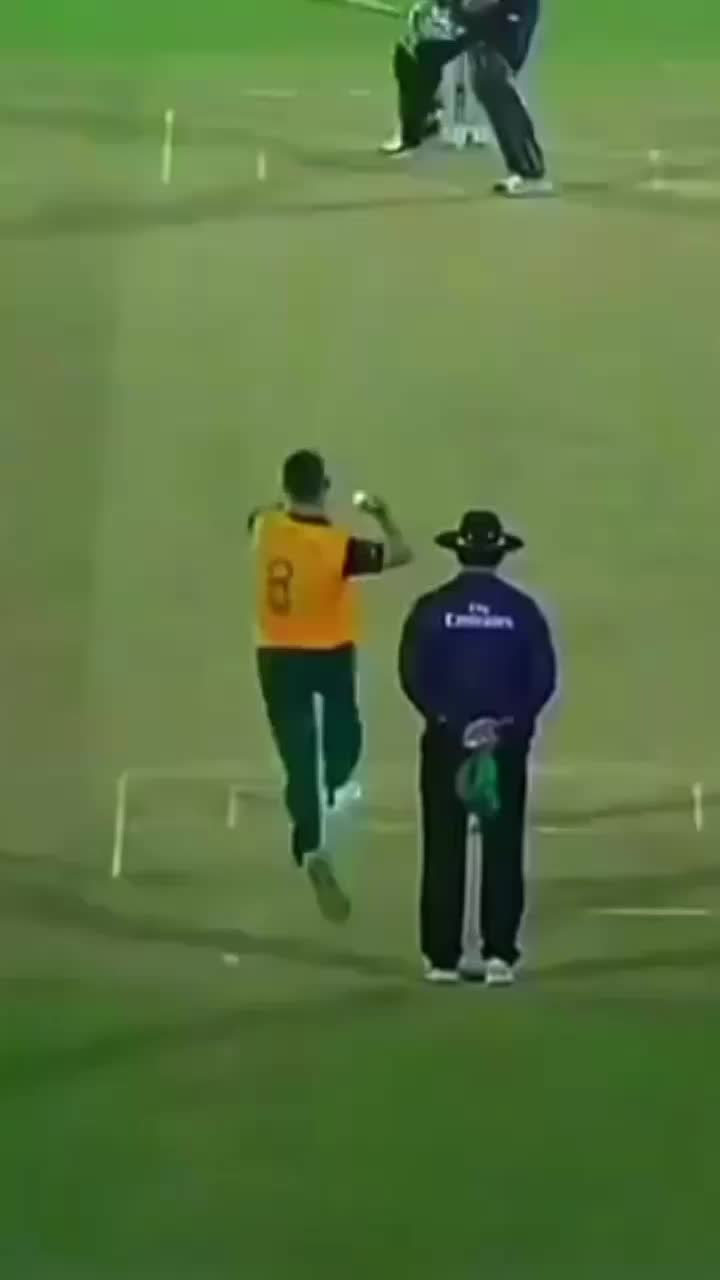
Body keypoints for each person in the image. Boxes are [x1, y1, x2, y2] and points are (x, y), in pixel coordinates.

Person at [249, 450, 412, 924]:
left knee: (297, 755)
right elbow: (401, 554)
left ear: (286, 487)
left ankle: (310, 845)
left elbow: (263, 512)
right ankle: (337, 783)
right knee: (345, 734)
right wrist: (383, 515)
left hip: (277, 656)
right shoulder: (339, 547)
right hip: (330, 653)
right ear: (324, 487)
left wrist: (286, 504)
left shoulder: (264, 527)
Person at [398, 510, 557, 985]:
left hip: (446, 743)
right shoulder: (522, 610)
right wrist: (505, 725)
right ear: (500, 555)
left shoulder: (431, 608)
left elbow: (413, 673)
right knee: (503, 846)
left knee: (443, 846)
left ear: (459, 551)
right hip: (504, 747)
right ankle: (499, 956)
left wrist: (449, 721)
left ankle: (442, 958)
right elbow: (542, 678)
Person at [381, 0, 551, 198]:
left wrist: (460, 10)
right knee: (414, 50)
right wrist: (433, 7)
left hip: (508, 15)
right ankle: (422, 124)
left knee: (490, 75)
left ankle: (529, 173)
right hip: (467, 9)